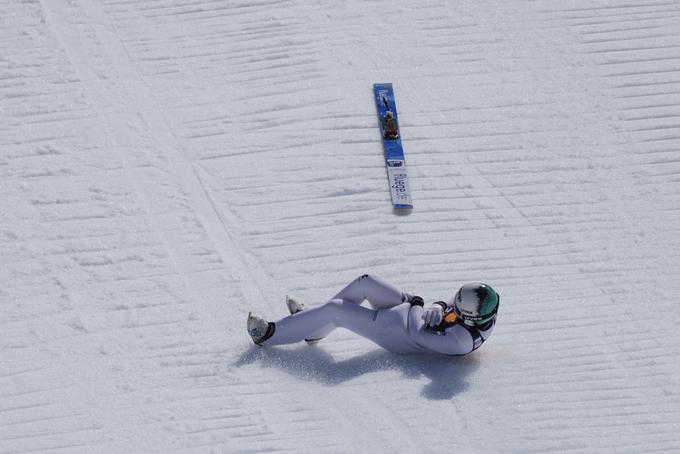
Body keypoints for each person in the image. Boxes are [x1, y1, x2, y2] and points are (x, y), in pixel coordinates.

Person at [246, 274, 499, 356]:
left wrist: (419, 305)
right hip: (409, 310)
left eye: (458, 309)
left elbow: (417, 333)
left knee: (337, 310)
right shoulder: (477, 306)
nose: (455, 304)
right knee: (365, 282)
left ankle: (268, 334)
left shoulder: (461, 342)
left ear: (470, 319)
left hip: (398, 333)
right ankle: (312, 327)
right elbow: (450, 301)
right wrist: (437, 305)